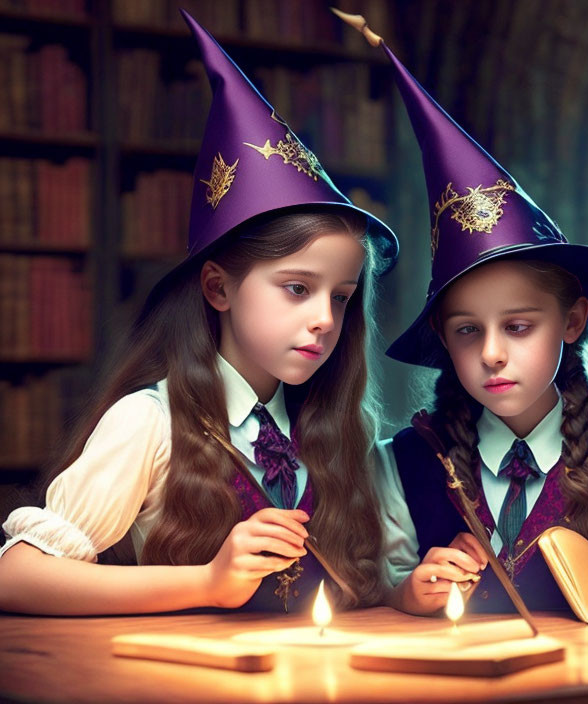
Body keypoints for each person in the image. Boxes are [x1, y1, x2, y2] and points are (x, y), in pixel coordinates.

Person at [0, 11, 399, 615]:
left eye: (341, 298)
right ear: (218, 288)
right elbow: (19, 579)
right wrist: (207, 582)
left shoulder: (343, 430)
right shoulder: (149, 423)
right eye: (297, 289)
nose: (324, 319)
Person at [338, 13, 588, 616]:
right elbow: (381, 587)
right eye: (468, 331)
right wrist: (410, 590)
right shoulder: (402, 462)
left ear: (571, 323)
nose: (491, 352)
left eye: (518, 327)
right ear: (441, 337)